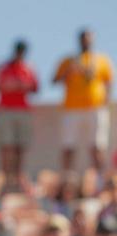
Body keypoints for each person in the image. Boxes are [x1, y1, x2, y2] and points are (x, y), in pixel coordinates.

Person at [54, 28, 113, 173]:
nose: (86, 41)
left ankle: (100, 180)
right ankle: (67, 179)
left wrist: (105, 102)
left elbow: (109, 82)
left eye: (89, 38)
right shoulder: (68, 61)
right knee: (68, 146)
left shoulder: (101, 60)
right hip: (72, 109)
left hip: (96, 109)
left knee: (97, 146)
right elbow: (55, 80)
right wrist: (69, 71)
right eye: (83, 38)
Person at [0, 40, 40, 192]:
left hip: (22, 111)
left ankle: (18, 177)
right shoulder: (2, 68)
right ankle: (7, 178)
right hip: (5, 111)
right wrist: (6, 86)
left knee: (20, 147)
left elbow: (36, 87)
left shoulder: (28, 68)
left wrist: (21, 86)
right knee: (7, 146)